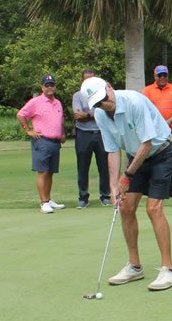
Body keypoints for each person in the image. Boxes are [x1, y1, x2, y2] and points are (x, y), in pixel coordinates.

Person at [80, 76, 172, 291]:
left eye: (104, 98)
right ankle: (135, 266)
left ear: (109, 87)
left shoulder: (134, 102)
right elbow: (112, 150)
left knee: (153, 208)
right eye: (98, 103)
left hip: (162, 152)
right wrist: (114, 186)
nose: (103, 104)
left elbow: (147, 143)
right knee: (125, 206)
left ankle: (169, 269)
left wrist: (126, 177)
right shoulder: (100, 114)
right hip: (136, 156)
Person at [16, 73, 66, 214]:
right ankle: (44, 203)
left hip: (55, 142)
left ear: (55, 86)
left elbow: (60, 120)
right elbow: (21, 115)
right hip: (42, 141)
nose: (50, 88)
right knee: (43, 172)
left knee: (50, 172)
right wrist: (28, 130)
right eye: (47, 85)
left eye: (52, 85)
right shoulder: (36, 102)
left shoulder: (58, 102)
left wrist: (62, 133)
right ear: (42, 87)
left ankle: (48, 200)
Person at [142, 65, 172, 198]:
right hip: (154, 132)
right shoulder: (147, 90)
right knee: (151, 158)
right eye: (159, 75)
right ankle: (151, 188)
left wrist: (169, 120)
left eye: (164, 75)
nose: (162, 78)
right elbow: (143, 108)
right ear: (154, 76)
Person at [72, 69, 111, 208]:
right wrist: (93, 114)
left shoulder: (103, 95)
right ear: (82, 81)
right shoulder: (77, 95)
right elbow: (77, 115)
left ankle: (105, 196)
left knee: (104, 166)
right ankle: (83, 197)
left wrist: (87, 115)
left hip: (101, 133)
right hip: (83, 134)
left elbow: (105, 112)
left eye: (92, 79)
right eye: (86, 79)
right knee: (83, 167)